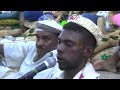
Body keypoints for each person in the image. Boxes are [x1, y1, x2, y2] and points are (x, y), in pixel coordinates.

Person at [34, 15, 102, 79]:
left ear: (88, 51)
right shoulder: (53, 74)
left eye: (69, 44)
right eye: (59, 42)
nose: (59, 48)